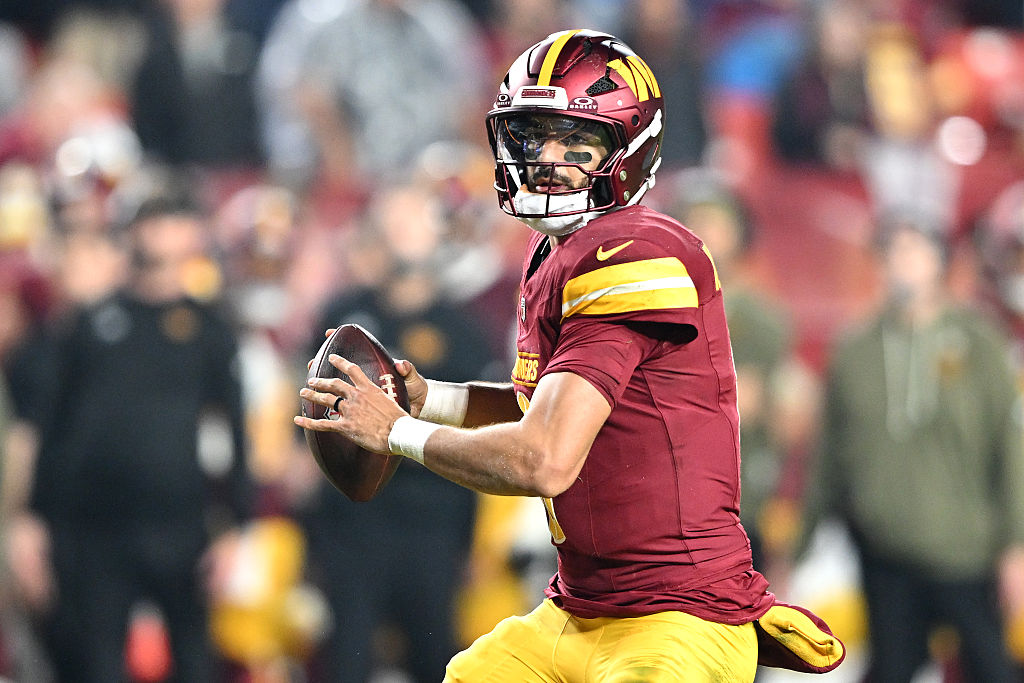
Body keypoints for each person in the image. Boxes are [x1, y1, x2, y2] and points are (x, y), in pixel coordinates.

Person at [296, 29, 845, 682]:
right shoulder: (557, 253)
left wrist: (398, 433)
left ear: (628, 150)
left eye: (577, 142)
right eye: (534, 136)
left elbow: (543, 457)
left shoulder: (636, 255)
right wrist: (428, 398)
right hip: (583, 607)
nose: (548, 158)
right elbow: (538, 407)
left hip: (675, 616)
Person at [7, 188, 256, 683]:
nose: (159, 234)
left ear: (193, 235)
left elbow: (234, 430)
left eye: (170, 221)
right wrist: (32, 519)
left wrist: (237, 526)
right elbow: (55, 429)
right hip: (96, 528)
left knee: (192, 661)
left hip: (180, 524)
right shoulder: (90, 323)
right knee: (96, 663)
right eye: (150, 222)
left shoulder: (210, 329)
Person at [804, 212, 1024, 682]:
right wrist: (801, 541)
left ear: (940, 260)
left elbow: (1009, 450)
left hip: (966, 551)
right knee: (891, 669)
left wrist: (1014, 546)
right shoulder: (856, 349)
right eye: (892, 252)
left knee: (991, 668)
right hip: (885, 553)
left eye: (914, 250)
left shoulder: (981, 342)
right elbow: (829, 457)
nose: (902, 263)